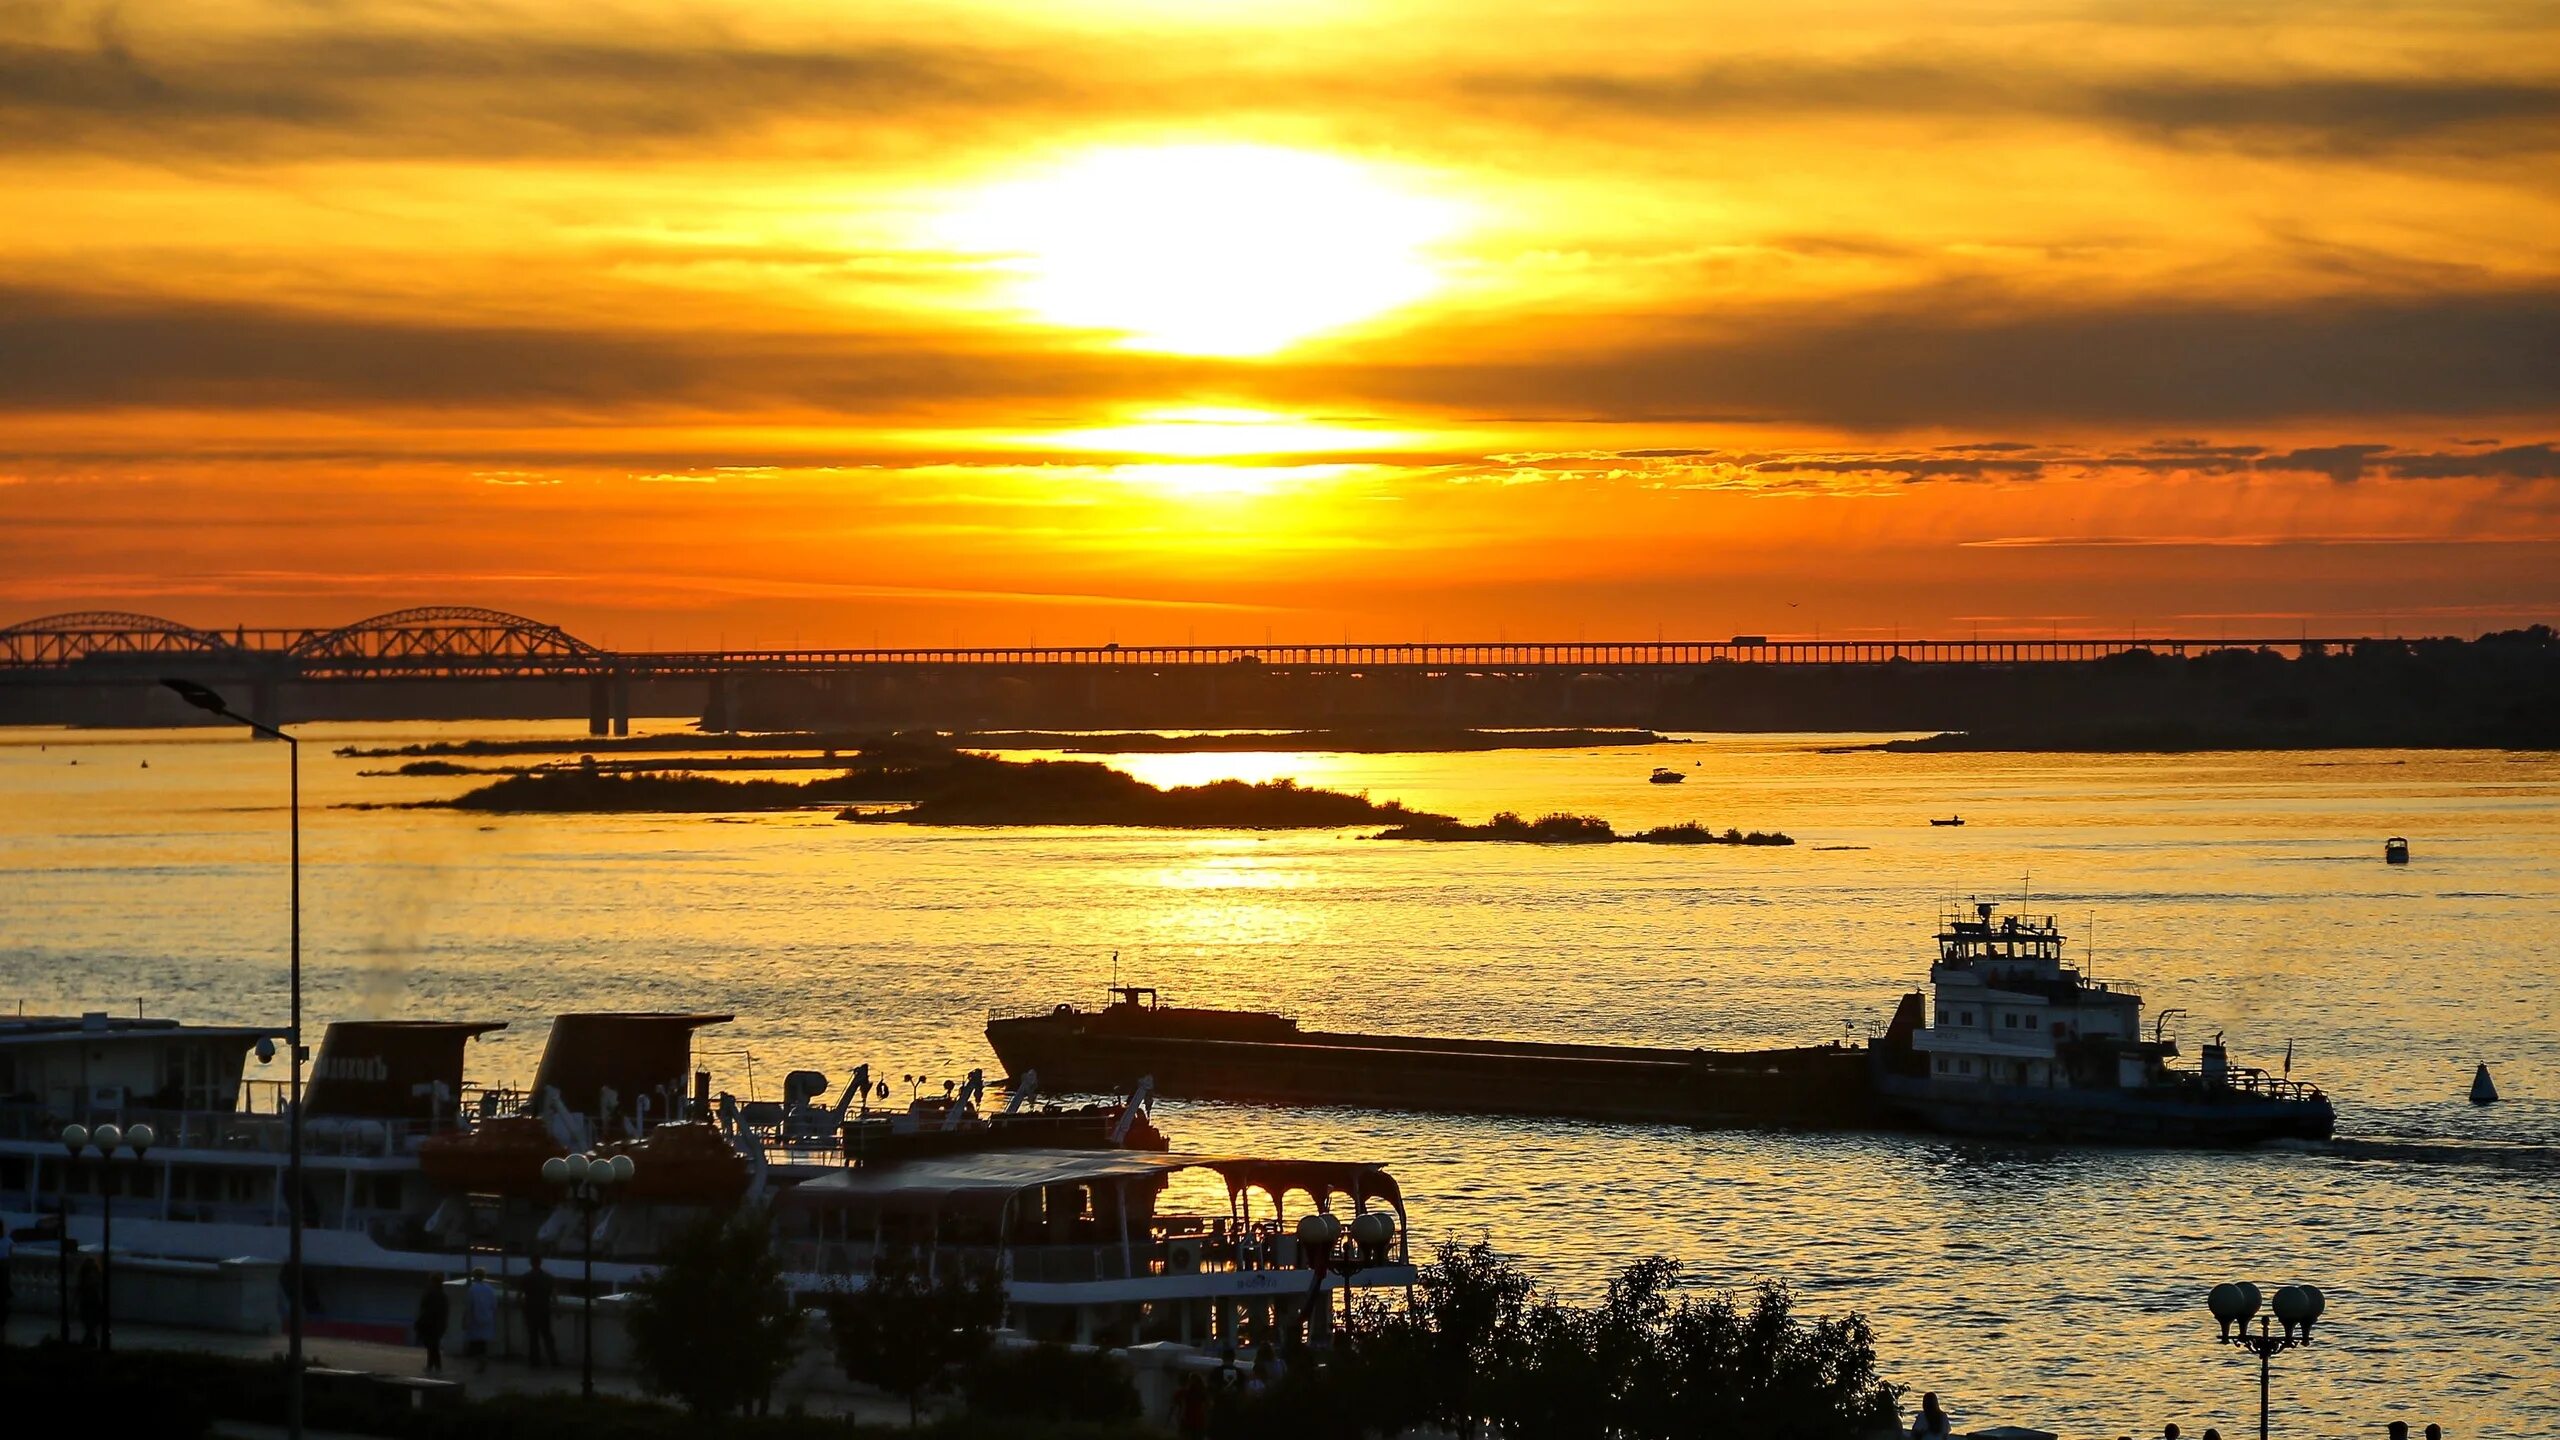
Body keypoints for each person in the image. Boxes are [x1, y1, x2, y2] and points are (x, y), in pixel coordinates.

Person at [521, 1256, 559, 1367]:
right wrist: (557, 1310)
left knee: (533, 1337)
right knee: (547, 1336)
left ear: (531, 1263)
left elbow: (520, 1296)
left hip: (531, 1310)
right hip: (544, 1310)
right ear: (540, 1263)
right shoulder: (549, 1278)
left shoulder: (526, 1278)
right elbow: (554, 1296)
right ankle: (553, 1360)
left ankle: (535, 1361)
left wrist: (523, 1308)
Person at [462, 1267, 498, 1374]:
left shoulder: (472, 1289)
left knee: (476, 1343)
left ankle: (481, 1362)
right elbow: (494, 1305)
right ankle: (482, 1361)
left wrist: (465, 1320)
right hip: (488, 1319)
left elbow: (469, 1306)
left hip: (475, 1319)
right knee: (483, 1343)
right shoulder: (490, 1289)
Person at [415, 1271, 449, 1373]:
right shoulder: (443, 1295)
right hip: (439, 1324)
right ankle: (432, 1366)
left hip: (429, 1323)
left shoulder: (430, 1293)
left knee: (431, 1346)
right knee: (433, 1345)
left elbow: (423, 1308)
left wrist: (420, 1322)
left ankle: (435, 1367)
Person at [74, 1256, 102, 1349]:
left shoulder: (85, 1283)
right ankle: (88, 1345)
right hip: (90, 1305)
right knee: (91, 1329)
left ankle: (87, 1345)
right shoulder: (90, 1284)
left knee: (91, 1328)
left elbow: (78, 1293)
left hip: (90, 1305)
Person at [1172, 1372, 1209, 1440]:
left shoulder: (1183, 1392)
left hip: (1189, 1421)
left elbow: (1176, 1405)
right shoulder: (1202, 1393)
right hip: (1197, 1421)